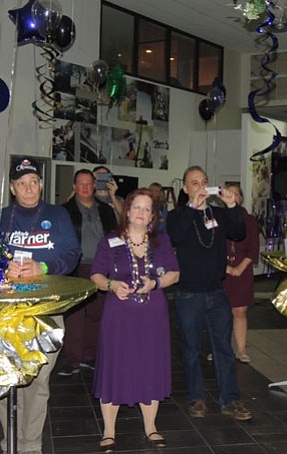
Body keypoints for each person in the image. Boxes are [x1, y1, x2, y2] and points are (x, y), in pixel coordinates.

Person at [0, 158, 81, 454]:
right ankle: (11, 442)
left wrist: (44, 268)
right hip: (6, 312)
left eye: (34, 181)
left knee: (38, 381)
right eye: (22, 183)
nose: (29, 188)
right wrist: (1, 270)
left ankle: (31, 446)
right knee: (4, 378)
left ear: (41, 185)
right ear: (12, 188)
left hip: (47, 311)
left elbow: (72, 254)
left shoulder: (57, 215)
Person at [90, 188, 180, 451]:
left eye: (147, 209)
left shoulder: (161, 241)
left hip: (153, 317)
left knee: (150, 367)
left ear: (153, 216)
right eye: (137, 207)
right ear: (127, 211)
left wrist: (155, 282)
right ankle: (109, 431)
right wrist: (110, 284)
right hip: (118, 317)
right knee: (114, 368)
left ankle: (151, 427)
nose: (141, 213)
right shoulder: (110, 241)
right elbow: (95, 275)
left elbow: (175, 274)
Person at [167, 165, 252, 421]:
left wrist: (233, 207)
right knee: (191, 350)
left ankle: (230, 399)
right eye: (194, 183)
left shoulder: (218, 214)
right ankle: (197, 398)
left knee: (224, 349)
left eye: (204, 181)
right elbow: (174, 235)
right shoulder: (178, 215)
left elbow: (239, 232)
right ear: (185, 188)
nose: (201, 187)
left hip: (217, 291)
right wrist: (192, 208)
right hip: (188, 294)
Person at [59, 169, 117, 376]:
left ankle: (89, 356)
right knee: (74, 316)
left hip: (101, 268)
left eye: (88, 183)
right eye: (80, 184)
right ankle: (72, 359)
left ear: (94, 186)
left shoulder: (106, 210)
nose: (85, 187)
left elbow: (115, 236)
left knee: (95, 314)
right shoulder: (64, 211)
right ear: (74, 187)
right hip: (76, 267)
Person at [222, 183, 259, 364]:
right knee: (221, 312)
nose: (233, 197)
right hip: (222, 271)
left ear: (241, 198)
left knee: (240, 311)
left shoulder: (250, 220)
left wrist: (239, 268)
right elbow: (213, 247)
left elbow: (253, 250)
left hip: (243, 271)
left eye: (236, 194)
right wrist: (225, 268)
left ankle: (242, 349)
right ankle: (221, 348)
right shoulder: (219, 219)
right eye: (230, 193)